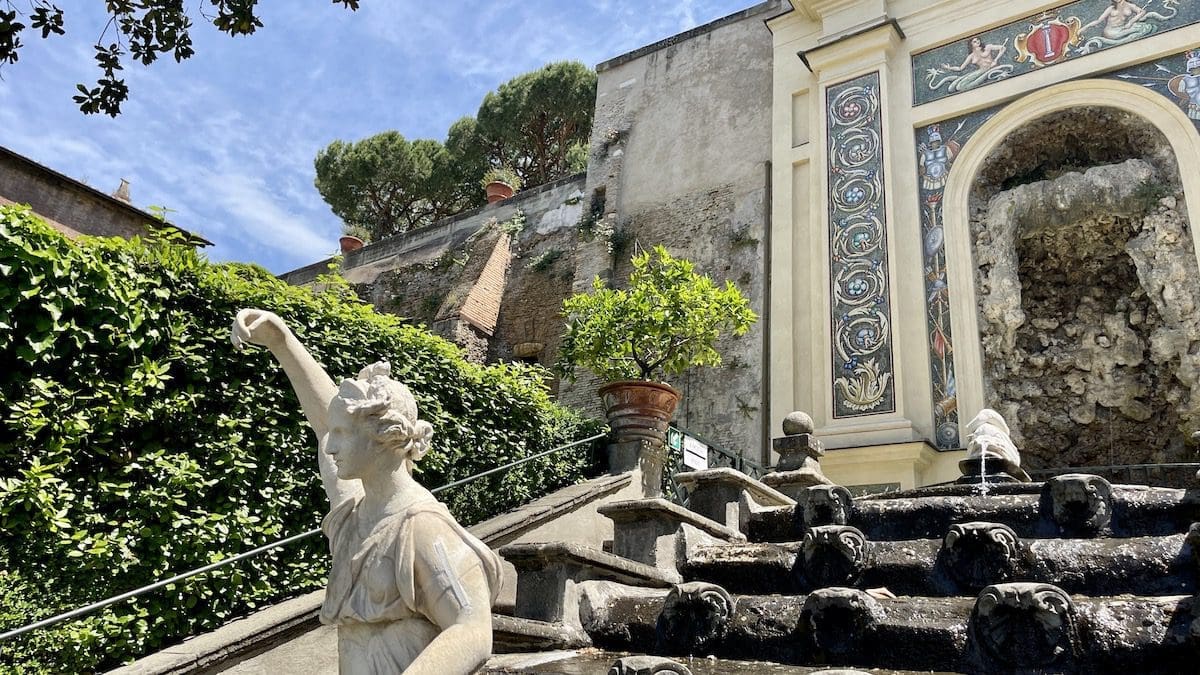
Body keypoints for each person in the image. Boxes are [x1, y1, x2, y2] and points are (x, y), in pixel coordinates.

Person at [231, 308, 500, 674]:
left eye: (343, 435)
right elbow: (325, 424)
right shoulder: (352, 515)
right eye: (335, 433)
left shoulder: (422, 527)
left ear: (382, 438)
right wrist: (281, 341)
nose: (330, 447)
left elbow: (471, 627)